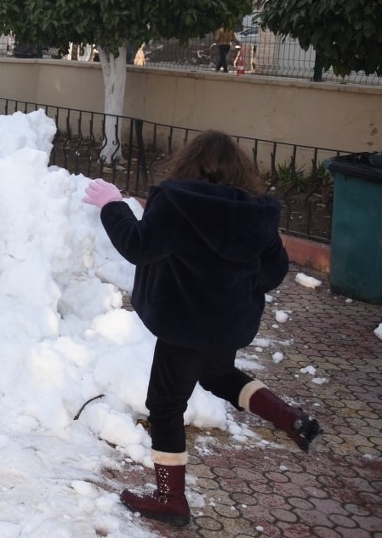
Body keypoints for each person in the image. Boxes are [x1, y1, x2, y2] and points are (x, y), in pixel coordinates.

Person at [82, 130, 321, 527]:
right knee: (218, 374)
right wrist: (232, 286)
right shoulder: (256, 213)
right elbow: (274, 270)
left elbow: (139, 245)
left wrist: (113, 205)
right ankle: (288, 417)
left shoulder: (177, 203)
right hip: (228, 324)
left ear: (188, 163)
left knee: (165, 406)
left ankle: (169, 498)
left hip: (184, 324)